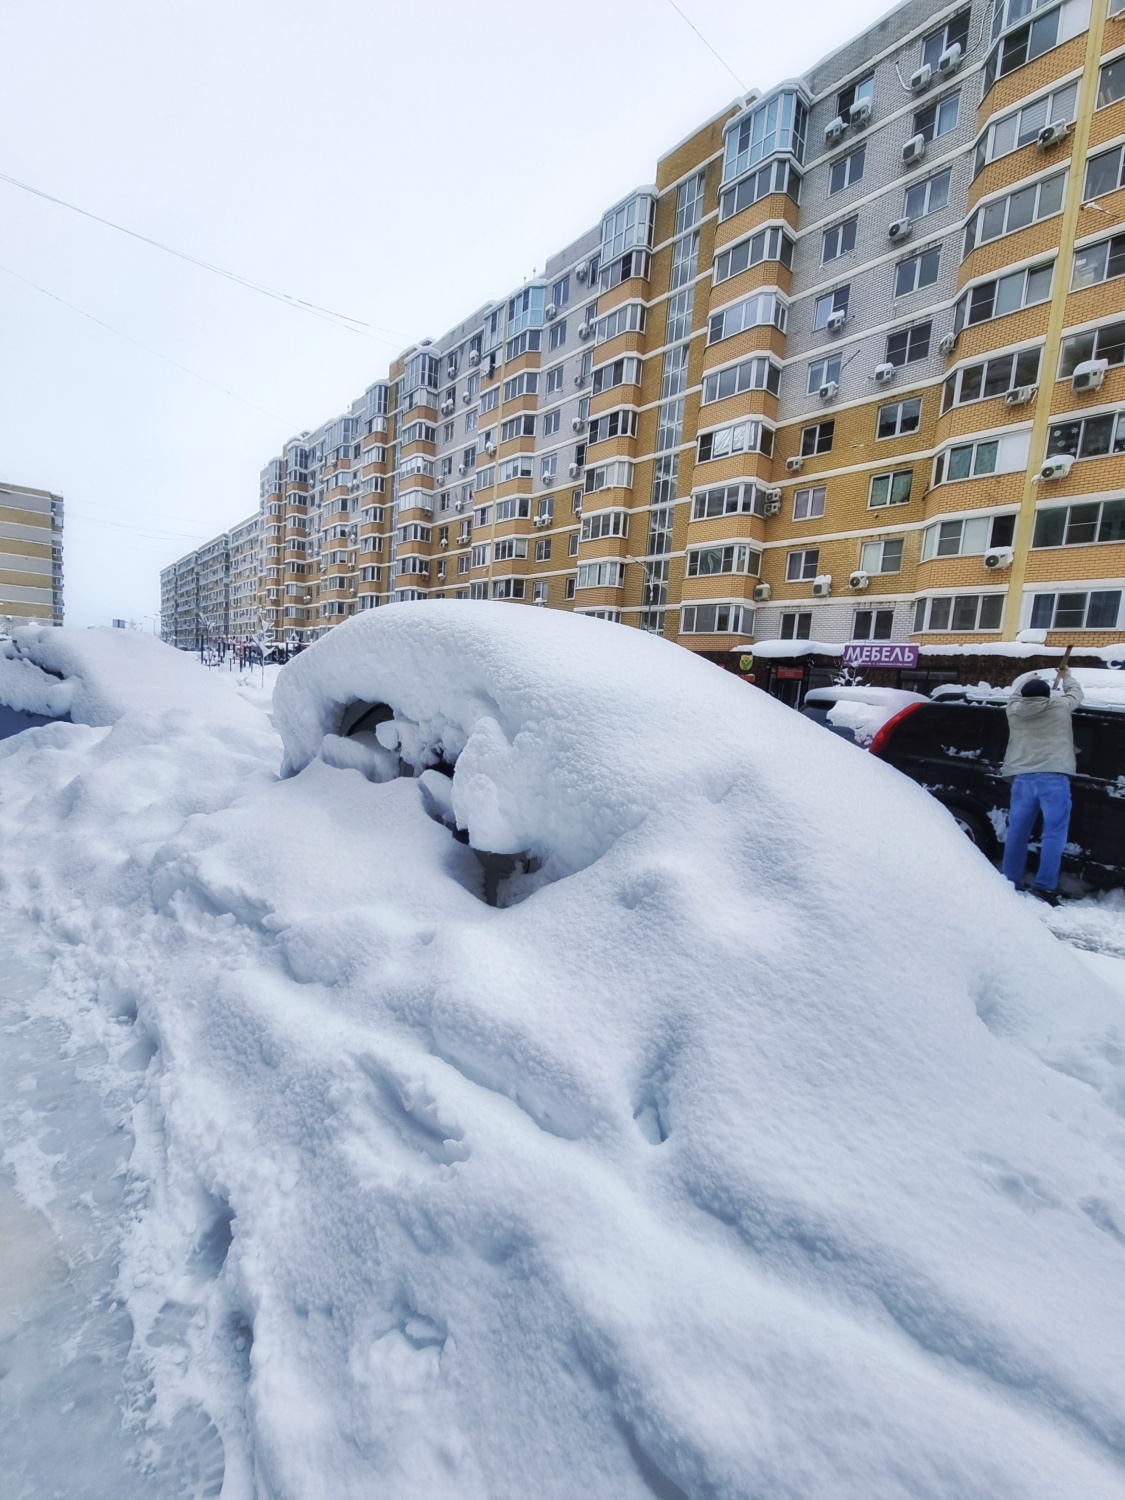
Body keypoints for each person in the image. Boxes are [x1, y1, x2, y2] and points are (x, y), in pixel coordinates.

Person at [1001, 669, 1083, 904]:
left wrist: (1029, 679)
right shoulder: (1059, 707)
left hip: (1023, 779)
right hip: (1054, 780)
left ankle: (1010, 880)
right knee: (1054, 834)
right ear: (1048, 696)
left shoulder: (1014, 711)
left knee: (1017, 833)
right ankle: (1044, 886)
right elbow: (1076, 693)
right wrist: (1066, 676)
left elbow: (1014, 696)